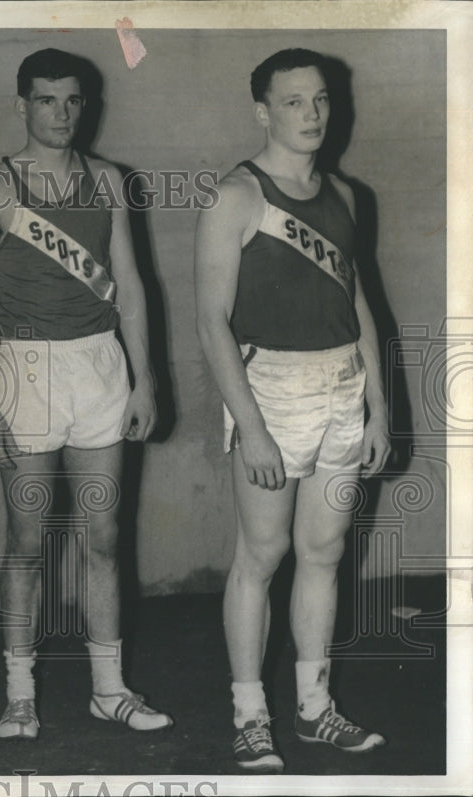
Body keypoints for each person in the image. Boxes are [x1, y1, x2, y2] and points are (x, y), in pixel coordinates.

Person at [0, 48, 172, 740]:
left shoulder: (109, 181)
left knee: (103, 537)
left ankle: (109, 688)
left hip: (99, 366)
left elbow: (134, 289)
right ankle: (19, 691)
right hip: (24, 371)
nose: (60, 114)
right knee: (27, 540)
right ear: (22, 104)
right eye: (46, 100)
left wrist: (145, 380)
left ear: (88, 106)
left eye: (72, 101)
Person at [194, 48, 391, 772]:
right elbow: (211, 319)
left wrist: (379, 403)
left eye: (320, 101)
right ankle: (250, 713)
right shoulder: (235, 195)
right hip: (269, 391)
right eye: (293, 103)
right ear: (263, 111)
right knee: (262, 554)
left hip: (343, 386)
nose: (310, 116)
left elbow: (359, 300)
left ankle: (313, 708)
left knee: (325, 553)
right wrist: (249, 426)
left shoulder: (345, 192)